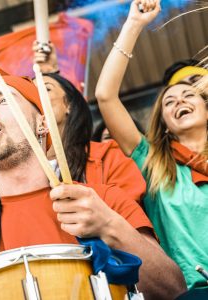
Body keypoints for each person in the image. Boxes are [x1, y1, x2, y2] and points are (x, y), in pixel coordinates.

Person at [0, 75, 185, 299]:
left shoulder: (102, 201)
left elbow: (172, 289)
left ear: (42, 124)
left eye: (4, 100)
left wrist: (110, 227)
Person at [95, 0, 208, 289]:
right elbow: (106, 96)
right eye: (169, 102)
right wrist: (134, 24)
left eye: (189, 95)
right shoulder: (153, 162)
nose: (179, 100)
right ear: (164, 124)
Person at [0, 42, 148, 215]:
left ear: (69, 105)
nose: (35, 96)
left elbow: (128, 215)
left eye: (46, 89)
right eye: (28, 95)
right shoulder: (7, 164)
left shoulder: (106, 156)